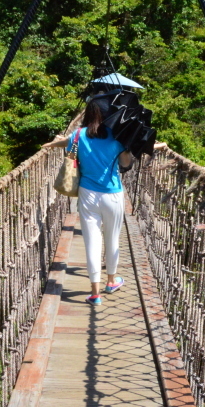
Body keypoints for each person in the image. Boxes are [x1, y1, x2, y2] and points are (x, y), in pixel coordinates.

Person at [43, 98, 134, 305]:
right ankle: (111, 281)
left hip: (87, 194)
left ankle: (95, 294)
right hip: (112, 195)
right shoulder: (118, 136)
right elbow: (125, 164)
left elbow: (66, 145)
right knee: (112, 239)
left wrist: (51, 144)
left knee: (92, 242)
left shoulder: (77, 135)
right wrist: (127, 149)